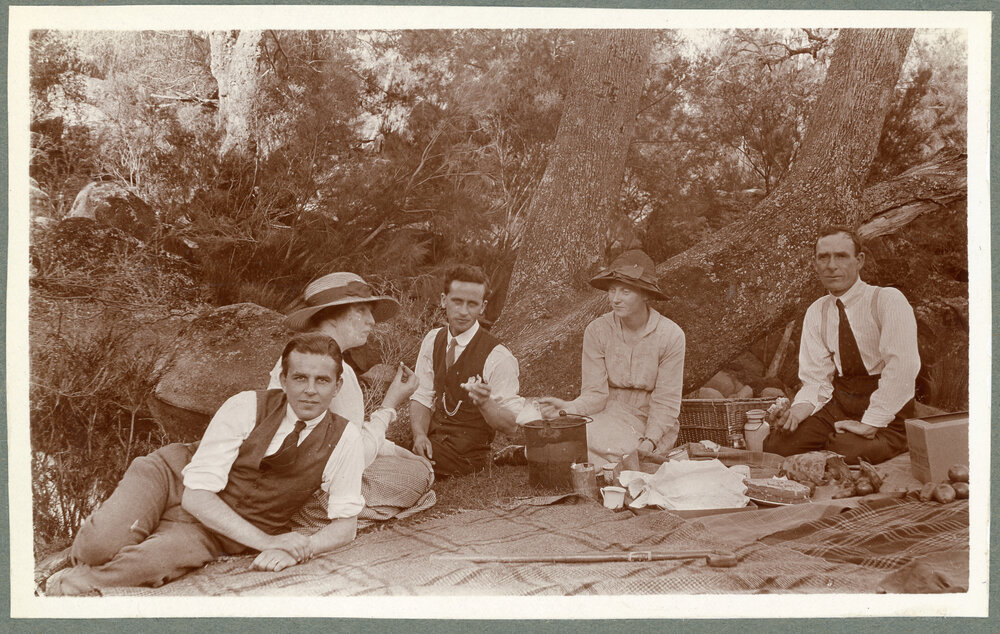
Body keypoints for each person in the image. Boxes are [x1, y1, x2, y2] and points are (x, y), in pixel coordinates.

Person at [47, 333, 415, 595]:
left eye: (322, 381)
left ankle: (75, 583)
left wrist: (297, 550)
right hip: (171, 478)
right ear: (283, 380)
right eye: (299, 378)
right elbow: (196, 496)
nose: (310, 390)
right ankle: (80, 552)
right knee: (97, 547)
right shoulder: (245, 405)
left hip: (217, 529)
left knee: (152, 563)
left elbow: (345, 526)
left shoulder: (345, 438)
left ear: (337, 387)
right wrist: (268, 541)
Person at [270, 272, 431, 526]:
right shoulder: (333, 371)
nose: (371, 321)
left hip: (287, 481)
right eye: (361, 310)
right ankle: (327, 517)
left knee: (410, 465)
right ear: (332, 316)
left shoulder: (297, 358)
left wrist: (397, 451)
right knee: (419, 475)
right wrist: (389, 405)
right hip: (310, 492)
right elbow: (354, 457)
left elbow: (349, 434)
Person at [763, 226, 920, 465]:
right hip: (842, 402)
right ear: (815, 264)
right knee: (777, 444)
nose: (831, 265)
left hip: (887, 402)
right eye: (823, 257)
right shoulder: (817, 310)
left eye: (841, 256)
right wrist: (797, 411)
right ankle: (839, 437)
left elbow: (902, 369)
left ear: (859, 261)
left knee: (845, 449)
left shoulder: (887, 300)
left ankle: (895, 438)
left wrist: (871, 423)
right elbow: (816, 379)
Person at [537, 249, 685, 468]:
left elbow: (666, 403)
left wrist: (649, 442)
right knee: (571, 435)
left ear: (645, 295)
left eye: (625, 292)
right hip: (607, 413)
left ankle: (598, 460)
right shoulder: (597, 330)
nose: (615, 299)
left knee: (595, 448)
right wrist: (568, 408)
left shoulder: (670, 335)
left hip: (649, 422)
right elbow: (595, 394)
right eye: (612, 291)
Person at [409, 264, 521, 476]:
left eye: (472, 304)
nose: (463, 312)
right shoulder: (433, 339)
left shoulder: (498, 356)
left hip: (467, 456)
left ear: (483, 307)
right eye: (457, 302)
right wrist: (419, 436)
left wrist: (486, 403)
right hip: (433, 442)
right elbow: (422, 396)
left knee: (397, 464)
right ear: (444, 300)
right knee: (381, 450)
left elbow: (511, 425)